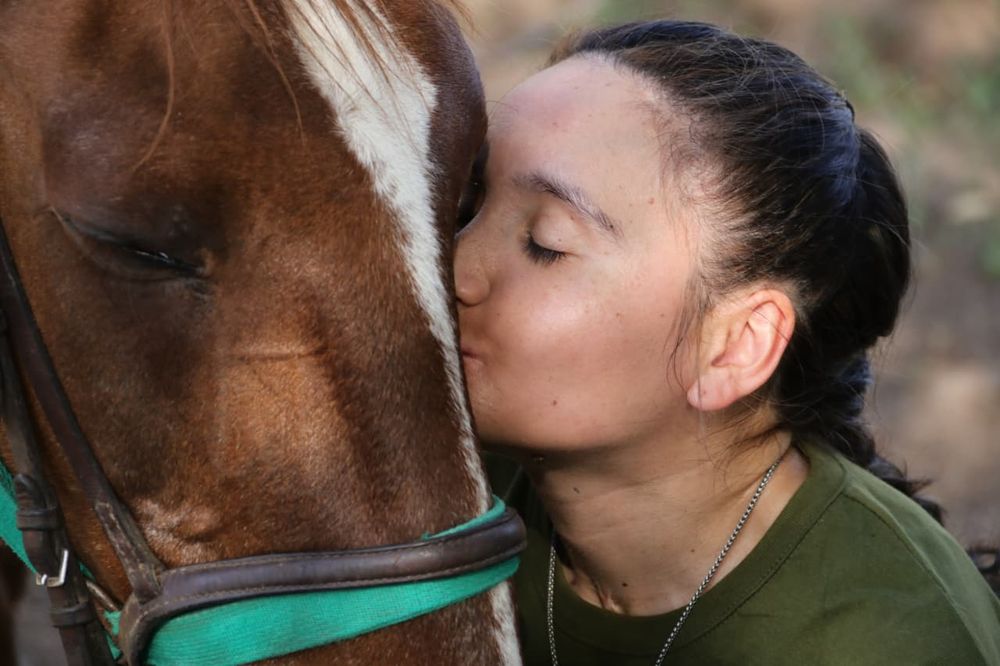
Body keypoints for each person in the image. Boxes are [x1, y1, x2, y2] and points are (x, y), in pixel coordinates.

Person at [453, 19, 1000, 666]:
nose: (455, 267)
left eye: (545, 243)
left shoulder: (887, 641)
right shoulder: (449, 480)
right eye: (469, 200)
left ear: (735, 346)